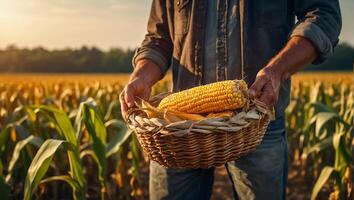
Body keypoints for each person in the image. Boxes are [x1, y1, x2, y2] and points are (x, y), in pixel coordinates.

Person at [120, 0, 341, 199]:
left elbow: (324, 15)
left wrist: (277, 70)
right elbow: (159, 37)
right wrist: (142, 76)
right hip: (179, 129)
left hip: (257, 121)